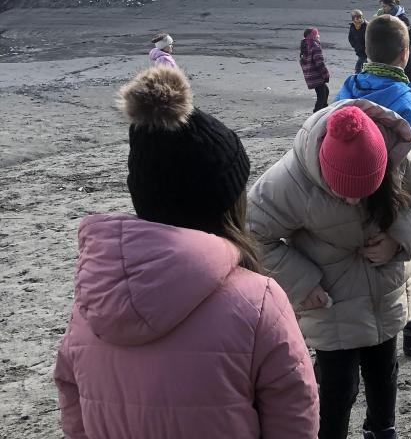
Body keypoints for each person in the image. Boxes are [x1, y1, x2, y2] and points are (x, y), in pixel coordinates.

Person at [53, 67, 319, 439]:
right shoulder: (259, 302)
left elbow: (74, 414)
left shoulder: (90, 305)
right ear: (229, 203)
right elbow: (294, 418)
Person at [247, 102, 411, 438]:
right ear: (323, 171)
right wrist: (302, 282)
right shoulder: (291, 181)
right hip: (330, 302)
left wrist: (397, 237)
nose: (353, 202)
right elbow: (251, 233)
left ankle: (382, 430)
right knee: (339, 386)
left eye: (365, 192)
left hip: (385, 290)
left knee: (384, 370)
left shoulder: (400, 157)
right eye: (343, 193)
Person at [335, 15, 411, 356]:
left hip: (344, 195)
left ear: (367, 50)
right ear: (405, 54)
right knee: (409, 255)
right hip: (389, 199)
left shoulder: (346, 89)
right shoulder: (405, 99)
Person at [377, 0, 411, 87]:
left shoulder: (403, 19)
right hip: (392, 60)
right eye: (382, 7)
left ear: (391, 6)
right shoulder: (386, 19)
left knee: (409, 85)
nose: (383, 9)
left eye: (384, 6)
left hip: (405, 59)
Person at [301, 27, 331, 113]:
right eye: (316, 34)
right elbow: (320, 63)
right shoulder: (315, 46)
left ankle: (325, 110)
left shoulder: (305, 44)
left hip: (310, 75)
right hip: (316, 76)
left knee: (325, 91)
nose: (318, 36)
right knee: (321, 95)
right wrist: (326, 75)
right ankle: (317, 113)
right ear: (313, 36)